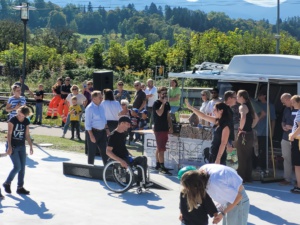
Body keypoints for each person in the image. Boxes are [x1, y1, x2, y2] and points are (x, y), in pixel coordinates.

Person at [181, 164, 250, 225]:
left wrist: (222, 214)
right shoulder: (201, 172)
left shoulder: (215, 183)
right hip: (229, 198)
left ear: (196, 185)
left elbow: (238, 197)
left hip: (238, 202)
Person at [106, 116, 153, 188]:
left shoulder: (122, 134)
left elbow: (121, 147)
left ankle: (142, 181)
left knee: (143, 158)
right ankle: (140, 181)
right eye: (128, 124)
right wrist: (120, 160)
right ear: (122, 123)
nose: (129, 126)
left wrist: (129, 154)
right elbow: (108, 152)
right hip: (120, 159)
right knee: (139, 160)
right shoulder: (113, 136)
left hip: (125, 157)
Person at [185, 99, 231, 165]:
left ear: (221, 111)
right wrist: (191, 108)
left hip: (219, 155)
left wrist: (218, 159)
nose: (213, 111)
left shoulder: (226, 126)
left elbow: (223, 143)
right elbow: (203, 116)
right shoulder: (217, 121)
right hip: (213, 151)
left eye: (215, 110)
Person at [3, 106, 33, 195]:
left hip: (22, 146)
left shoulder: (26, 121)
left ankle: (20, 187)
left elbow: (27, 134)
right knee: (17, 167)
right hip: (13, 146)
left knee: (22, 168)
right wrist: (9, 147)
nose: (19, 116)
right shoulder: (12, 120)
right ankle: (7, 183)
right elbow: (9, 133)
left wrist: (31, 146)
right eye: (18, 114)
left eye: (21, 115)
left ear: (26, 115)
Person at [236, 90, 259, 183]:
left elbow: (243, 118)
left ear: (242, 97)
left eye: (237, 96)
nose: (236, 98)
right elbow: (256, 118)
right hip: (250, 133)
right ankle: (248, 177)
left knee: (241, 156)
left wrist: (240, 129)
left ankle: (241, 178)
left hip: (244, 134)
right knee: (248, 156)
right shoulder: (250, 105)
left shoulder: (242, 106)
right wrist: (251, 126)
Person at [85, 91, 110, 165]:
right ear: (94, 99)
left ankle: (107, 168)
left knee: (105, 151)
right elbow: (87, 124)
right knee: (92, 152)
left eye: (102, 97)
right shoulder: (89, 108)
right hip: (93, 132)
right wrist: (91, 135)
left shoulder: (101, 106)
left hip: (102, 132)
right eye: (100, 97)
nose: (102, 98)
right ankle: (90, 168)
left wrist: (107, 130)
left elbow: (104, 119)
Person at [254, 89, 276, 172]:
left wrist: (272, 131)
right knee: (256, 150)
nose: (258, 96)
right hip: (255, 131)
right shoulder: (255, 104)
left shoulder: (270, 106)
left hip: (265, 131)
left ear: (264, 96)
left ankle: (263, 166)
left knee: (263, 150)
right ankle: (255, 166)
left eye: (260, 95)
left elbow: (273, 119)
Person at [153, 86, 173, 175]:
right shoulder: (156, 103)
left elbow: (168, 116)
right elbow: (160, 113)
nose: (165, 95)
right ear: (159, 94)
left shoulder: (168, 104)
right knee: (161, 149)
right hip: (159, 128)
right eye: (163, 93)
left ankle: (157, 164)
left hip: (165, 128)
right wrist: (163, 103)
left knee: (159, 146)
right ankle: (162, 166)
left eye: (166, 93)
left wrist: (171, 126)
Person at [280, 93, 297, 185]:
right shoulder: (286, 110)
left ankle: (298, 179)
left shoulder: (298, 109)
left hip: (297, 138)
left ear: (288, 99)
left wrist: (292, 127)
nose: (283, 104)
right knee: (286, 157)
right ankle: (287, 178)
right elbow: (283, 121)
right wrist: (283, 126)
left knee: (297, 159)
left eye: (283, 102)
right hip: (285, 137)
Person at [288, 95, 300, 194]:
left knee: (297, 164)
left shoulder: (299, 112)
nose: (292, 104)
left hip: (297, 140)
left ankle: (299, 186)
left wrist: (292, 135)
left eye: (293, 102)